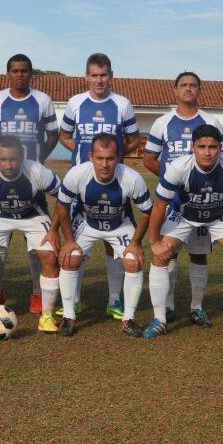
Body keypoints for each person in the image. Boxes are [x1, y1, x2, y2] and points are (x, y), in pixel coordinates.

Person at [147, 125, 223, 341]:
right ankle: (159, 320)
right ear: (193, 148)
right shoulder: (178, 167)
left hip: (220, 216)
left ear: (220, 148)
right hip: (183, 215)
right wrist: (154, 241)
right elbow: (160, 205)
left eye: (212, 147)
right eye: (201, 147)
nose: (207, 152)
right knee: (159, 255)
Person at [57, 53, 140, 319]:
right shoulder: (75, 102)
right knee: (77, 243)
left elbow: (134, 138)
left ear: (111, 76)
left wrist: (113, 159)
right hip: (82, 185)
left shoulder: (122, 104)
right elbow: (64, 135)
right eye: (94, 75)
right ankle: (76, 300)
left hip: (113, 183)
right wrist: (82, 154)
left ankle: (114, 299)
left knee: (111, 240)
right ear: (86, 77)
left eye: (103, 75)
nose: (99, 80)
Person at [142, 71, 223, 327]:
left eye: (193, 85)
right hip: (173, 203)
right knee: (169, 253)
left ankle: (197, 307)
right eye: (183, 85)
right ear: (174, 89)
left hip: (202, 203)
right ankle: (167, 306)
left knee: (199, 254)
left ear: (200, 89)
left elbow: (221, 161)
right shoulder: (163, 122)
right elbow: (149, 159)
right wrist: (172, 181)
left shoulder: (212, 122)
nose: (188, 89)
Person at [0, 53, 59, 314]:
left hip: (31, 180)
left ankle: (37, 294)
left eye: (24, 70)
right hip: (4, 175)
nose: (19, 75)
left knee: (36, 246)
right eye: (14, 70)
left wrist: (39, 158)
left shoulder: (43, 100)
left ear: (31, 73)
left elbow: (53, 133)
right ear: (8, 73)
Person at [52, 134, 152, 338]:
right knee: (70, 258)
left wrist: (135, 243)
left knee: (133, 261)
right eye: (100, 158)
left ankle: (128, 319)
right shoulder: (77, 174)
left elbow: (147, 211)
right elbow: (62, 207)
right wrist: (69, 241)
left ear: (118, 158)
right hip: (87, 221)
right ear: (91, 156)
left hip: (119, 224)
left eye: (110, 158)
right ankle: (69, 316)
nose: (105, 164)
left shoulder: (131, 178)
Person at [0, 136, 62, 332]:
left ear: (22, 157)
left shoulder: (37, 171)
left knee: (49, 255)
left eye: (13, 159)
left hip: (33, 212)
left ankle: (47, 317)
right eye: (3, 160)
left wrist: (53, 230)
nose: (8, 164)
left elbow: (63, 196)